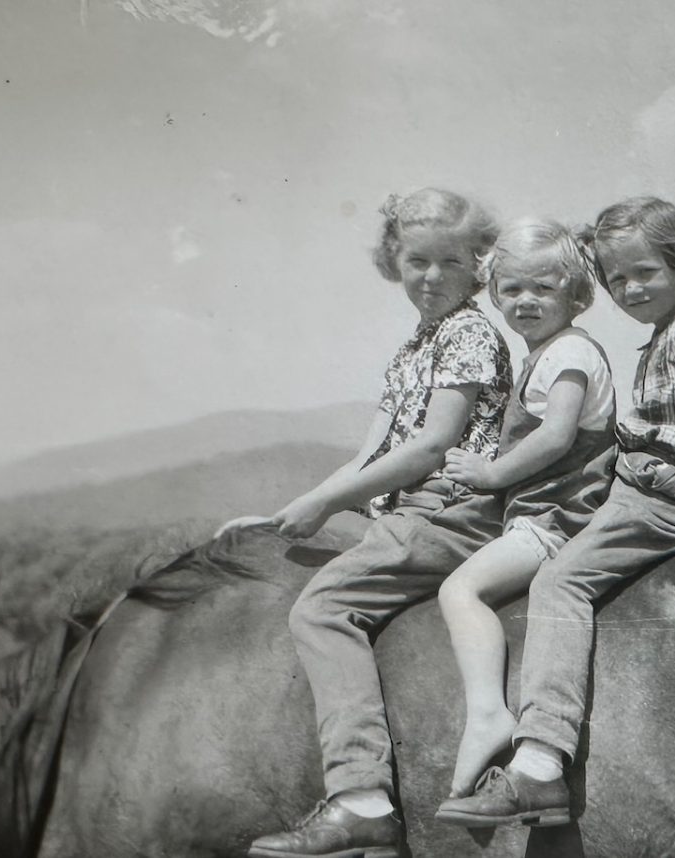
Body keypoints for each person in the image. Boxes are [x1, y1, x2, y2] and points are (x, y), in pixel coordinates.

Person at [214, 188, 512, 858]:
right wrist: (291, 513)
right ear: (394, 264)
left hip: (450, 515)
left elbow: (430, 448)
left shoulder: (470, 333)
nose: (432, 276)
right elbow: (368, 458)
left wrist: (323, 507)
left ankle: (361, 799)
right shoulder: (411, 350)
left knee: (320, 609)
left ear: (478, 265)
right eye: (417, 261)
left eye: (449, 261)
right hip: (409, 512)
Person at [437, 197, 675, 828]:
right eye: (617, 278)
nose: (629, 288)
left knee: (560, 580)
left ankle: (540, 763)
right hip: (639, 488)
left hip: (663, 498)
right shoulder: (666, 334)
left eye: (646, 273)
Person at [434, 218, 616, 802]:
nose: (525, 301)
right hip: (542, 511)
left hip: (557, 517)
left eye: (542, 288)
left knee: (459, 591)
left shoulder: (569, 353)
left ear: (575, 293)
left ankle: (488, 714)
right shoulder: (548, 352)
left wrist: (488, 475)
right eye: (511, 290)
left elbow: (557, 436)